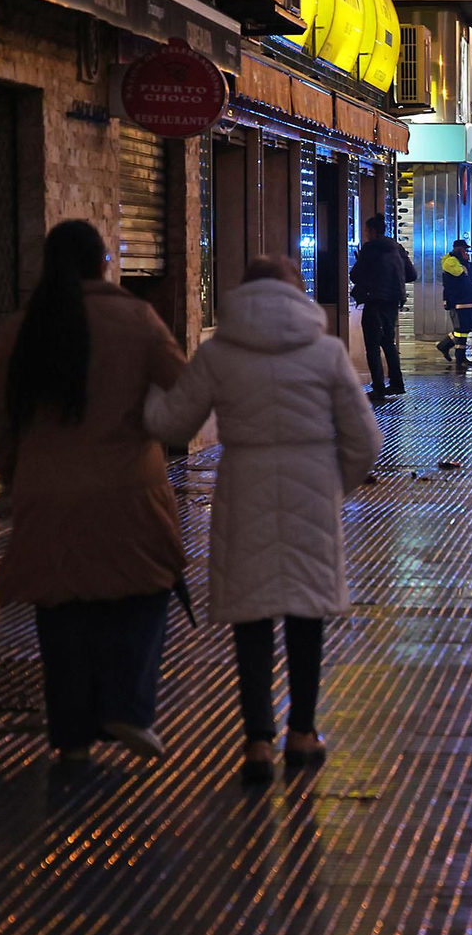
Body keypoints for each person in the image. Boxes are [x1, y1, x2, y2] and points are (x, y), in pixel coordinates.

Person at [145, 256, 381, 784]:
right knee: (305, 613)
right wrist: (332, 484)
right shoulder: (326, 352)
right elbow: (365, 439)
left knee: (250, 618)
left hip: (243, 483)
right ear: (296, 295)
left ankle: (256, 741)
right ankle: (302, 732)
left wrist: (139, 390)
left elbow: (174, 422)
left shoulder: (219, 352)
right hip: (312, 483)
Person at [0, 220, 185, 764]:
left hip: (45, 494)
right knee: (146, 589)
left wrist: (15, 473)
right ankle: (126, 705)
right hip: (129, 493)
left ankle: (71, 736)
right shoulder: (137, 318)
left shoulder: (21, 327)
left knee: (61, 603)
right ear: (103, 264)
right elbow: (183, 395)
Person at [350, 215, 416, 404]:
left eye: (366, 230)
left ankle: (378, 388)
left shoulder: (370, 248)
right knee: (388, 343)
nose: (365, 234)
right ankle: (397, 383)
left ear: (371, 231)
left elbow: (355, 275)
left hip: (374, 300)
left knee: (372, 345)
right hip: (393, 301)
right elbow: (412, 274)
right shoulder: (397, 247)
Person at [436, 239, 472, 365]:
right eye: (464, 249)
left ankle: (445, 346)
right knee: (461, 330)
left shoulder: (458, 261)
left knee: (464, 329)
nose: (466, 252)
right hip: (457, 300)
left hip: (464, 300)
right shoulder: (451, 262)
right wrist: (464, 262)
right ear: (458, 249)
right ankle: (459, 357)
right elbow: (460, 276)